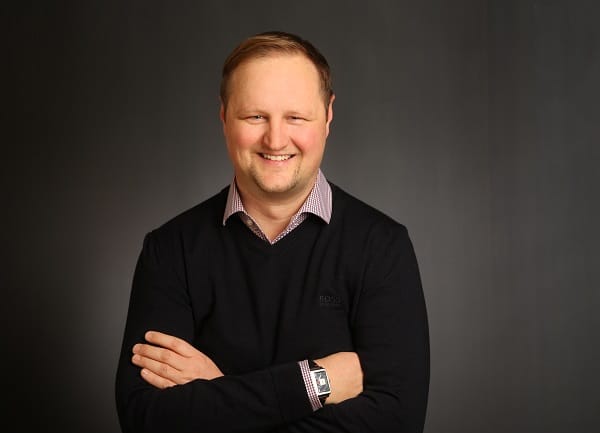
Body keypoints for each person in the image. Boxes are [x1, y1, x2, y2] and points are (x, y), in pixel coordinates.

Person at [115, 30, 429, 433]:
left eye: (295, 117)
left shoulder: (382, 247)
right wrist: (313, 383)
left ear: (328, 116)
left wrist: (219, 392)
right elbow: (146, 419)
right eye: (255, 116)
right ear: (224, 116)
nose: (276, 139)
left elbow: (397, 423)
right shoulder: (170, 250)